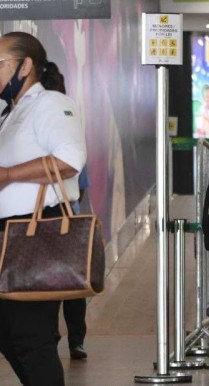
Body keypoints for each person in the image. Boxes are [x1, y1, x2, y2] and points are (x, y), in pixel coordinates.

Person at [0, 31, 86, 385]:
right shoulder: (11, 113)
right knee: (9, 335)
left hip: (36, 232)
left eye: (1, 64)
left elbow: (70, 159)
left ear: (26, 66)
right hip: (10, 235)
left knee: (30, 337)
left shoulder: (50, 103)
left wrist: (8, 175)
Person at [44, 75, 90, 361]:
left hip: (46, 217)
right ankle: (76, 340)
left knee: (48, 282)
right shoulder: (69, 121)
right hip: (66, 214)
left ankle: (55, 337)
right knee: (72, 283)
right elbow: (81, 183)